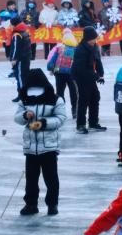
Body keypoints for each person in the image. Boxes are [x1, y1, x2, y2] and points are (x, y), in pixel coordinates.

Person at [14, 68, 67, 216]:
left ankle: (52, 204)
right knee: (31, 178)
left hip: (49, 146)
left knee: (51, 178)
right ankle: (31, 204)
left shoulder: (55, 99)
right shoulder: (24, 99)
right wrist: (25, 115)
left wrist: (43, 123)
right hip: (31, 147)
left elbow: (61, 118)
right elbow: (17, 117)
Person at [71, 26, 107, 134]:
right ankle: (80, 125)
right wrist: (96, 76)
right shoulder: (80, 49)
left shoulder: (95, 46)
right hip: (80, 76)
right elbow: (81, 68)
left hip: (90, 75)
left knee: (95, 97)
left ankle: (93, 123)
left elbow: (98, 61)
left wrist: (100, 74)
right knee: (84, 99)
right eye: (93, 38)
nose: (95, 40)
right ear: (87, 38)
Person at [47, 29, 78, 119]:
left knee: (60, 92)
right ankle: (74, 110)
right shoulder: (76, 49)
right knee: (73, 92)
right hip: (72, 73)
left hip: (59, 72)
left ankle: (61, 111)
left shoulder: (59, 48)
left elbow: (52, 60)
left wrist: (51, 68)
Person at [10, 16, 32, 103]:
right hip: (26, 57)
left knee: (20, 77)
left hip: (20, 59)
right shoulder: (25, 31)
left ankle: (22, 95)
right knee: (25, 76)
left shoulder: (16, 34)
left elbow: (16, 48)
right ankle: (24, 94)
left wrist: (14, 59)